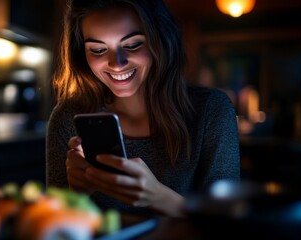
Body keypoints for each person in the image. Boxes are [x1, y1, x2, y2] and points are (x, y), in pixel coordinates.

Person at [46, 0, 240, 218]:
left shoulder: (211, 111)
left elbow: (225, 223)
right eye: (98, 49)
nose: (116, 64)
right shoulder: (68, 118)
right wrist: (75, 196)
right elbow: (52, 225)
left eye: (132, 45)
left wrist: (158, 196)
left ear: (161, 41)